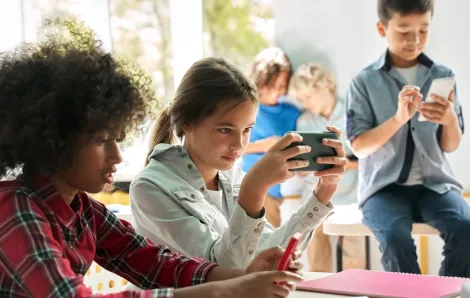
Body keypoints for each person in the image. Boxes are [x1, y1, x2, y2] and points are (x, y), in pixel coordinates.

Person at [0, 19, 305, 297]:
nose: (117, 156)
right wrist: (224, 291)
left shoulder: (84, 210)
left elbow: (155, 263)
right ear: (56, 140)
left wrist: (239, 277)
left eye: (118, 140)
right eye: (102, 140)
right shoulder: (14, 208)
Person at [130, 56, 347, 270]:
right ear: (188, 122)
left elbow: (270, 255)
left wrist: (324, 191)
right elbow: (224, 271)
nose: (239, 144)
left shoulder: (231, 177)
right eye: (225, 130)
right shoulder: (150, 188)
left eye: (247, 130)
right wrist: (254, 188)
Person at [346, 0, 470, 277]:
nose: (415, 40)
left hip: (435, 185)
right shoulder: (363, 82)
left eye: (423, 30)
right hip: (382, 189)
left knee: (466, 229)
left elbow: (450, 145)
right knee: (395, 238)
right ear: (382, 28)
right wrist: (398, 119)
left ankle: (447, 294)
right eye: (404, 31)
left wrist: (449, 119)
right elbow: (359, 147)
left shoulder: (443, 75)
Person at [289, 63, 365, 272]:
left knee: (354, 255)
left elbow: (368, 157)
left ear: (325, 87)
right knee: (317, 254)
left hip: (349, 198)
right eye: (301, 99)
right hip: (314, 197)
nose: (306, 103)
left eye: (308, 96)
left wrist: (346, 164)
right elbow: (301, 164)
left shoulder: (352, 116)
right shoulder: (304, 121)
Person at [241, 47, 301, 228]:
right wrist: (265, 145)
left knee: (273, 245)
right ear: (261, 80)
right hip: (254, 186)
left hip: (281, 190)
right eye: (274, 85)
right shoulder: (245, 108)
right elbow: (229, 149)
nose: (279, 91)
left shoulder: (292, 113)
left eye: (283, 86)